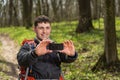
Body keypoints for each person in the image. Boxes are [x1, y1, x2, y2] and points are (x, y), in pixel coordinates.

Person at [17, 15, 78, 80]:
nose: (44, 31)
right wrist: (34, 54)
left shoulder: (55, 46)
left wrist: (72, 55)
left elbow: (66, 59)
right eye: (41, 28)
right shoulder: (28, 45)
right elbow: (21, 60)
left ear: (50, 29)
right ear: (34, 29)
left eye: (47, 28)